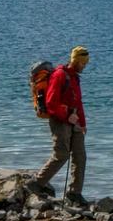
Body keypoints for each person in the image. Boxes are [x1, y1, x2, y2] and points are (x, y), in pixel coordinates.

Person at [32, 46, 89, 204]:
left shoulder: (75, 77)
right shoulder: (59, 75)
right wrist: (66, 117)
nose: (84, 66)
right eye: (83, 63)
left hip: (74, 120)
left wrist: (82, 123)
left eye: (86, 63)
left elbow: (78, 102)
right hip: (60, 121)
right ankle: (36, 183)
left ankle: (74, 193)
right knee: (62, 155)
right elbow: (51, 103)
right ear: (76, 60)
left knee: (80, 157)